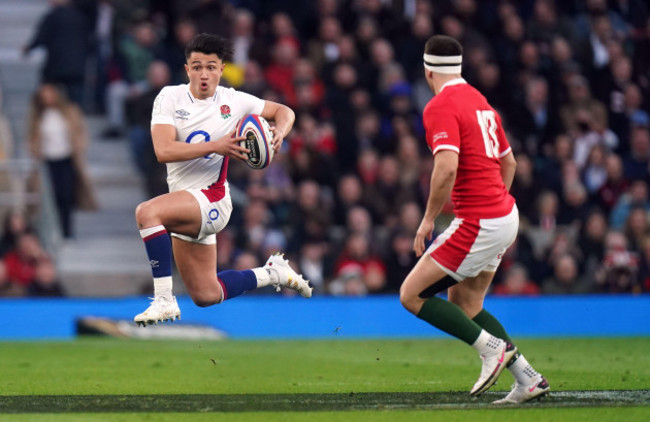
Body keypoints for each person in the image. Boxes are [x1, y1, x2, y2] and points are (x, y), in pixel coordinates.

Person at [398, 35, 549, 404]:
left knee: (411, 295)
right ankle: (528, 379)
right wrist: (497, 204)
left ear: (427, 70)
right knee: (467, 304)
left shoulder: (439, 106)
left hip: (480, 220)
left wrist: (427, 219)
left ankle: (490, 349)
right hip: (504, 214)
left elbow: (446, 166)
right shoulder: (481, 103)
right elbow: (508, 163)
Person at [134, 34, 311, 326]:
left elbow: (284, 111)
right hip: (184, 201)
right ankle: (272, 273)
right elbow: (163, 151)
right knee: (206, 294)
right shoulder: (169, 97)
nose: (204, 74)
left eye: (211, 67)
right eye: (197, 66)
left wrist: (280, 131)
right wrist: (216, 146)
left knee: (147, 212)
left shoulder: (234, 100)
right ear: (187, 69)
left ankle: (163, 300)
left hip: (212, 200)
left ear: (221, 69)